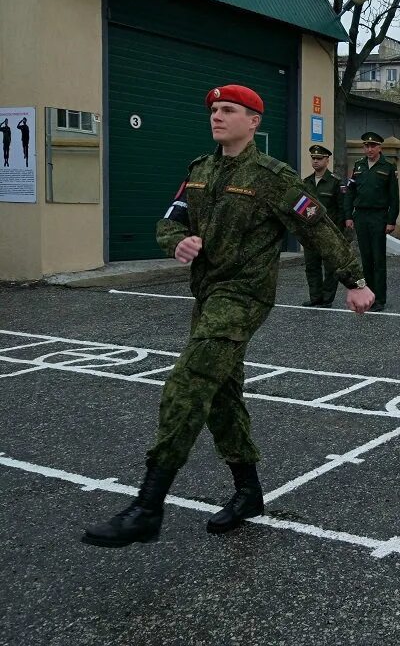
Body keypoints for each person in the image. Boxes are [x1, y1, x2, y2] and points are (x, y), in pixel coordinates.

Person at [82, 85, 373, 548]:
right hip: (207, 293)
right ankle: (248, 491)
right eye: (214, 110)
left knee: (188, 382)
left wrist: (354, 282)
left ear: (253, 121)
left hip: (243, 297)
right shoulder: (200, 170)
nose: (217, 116)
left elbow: (319, 228)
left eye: (229, 110)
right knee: (221, 394)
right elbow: (170, 220)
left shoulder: (272, 176)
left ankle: (147, 506)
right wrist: (175, 241)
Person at [343, 131, 399, 311]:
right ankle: (367, 296)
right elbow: (350, 192)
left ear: (379, 147)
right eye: (366, 146)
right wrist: (348, 216)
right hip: (361, 216)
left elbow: (394, 197)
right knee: (365, 259)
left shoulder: (388, 166)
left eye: (373, 146)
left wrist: (391, 220)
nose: (369, 149)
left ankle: (380, 299)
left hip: (378, 216)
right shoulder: (358, 166)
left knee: (378, 259)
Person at [301, 144, 345, 307]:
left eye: (319, 158)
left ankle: (327, 298)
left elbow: (341, 210)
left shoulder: (335, 182)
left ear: (327, 160)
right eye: (313, 158)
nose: (316, 161)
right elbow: (301, 208)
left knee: (330, 267)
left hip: (328, 232)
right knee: (311, 266)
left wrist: (340, 234)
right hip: (311, 232)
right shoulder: (306, 182)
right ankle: (315, 297)